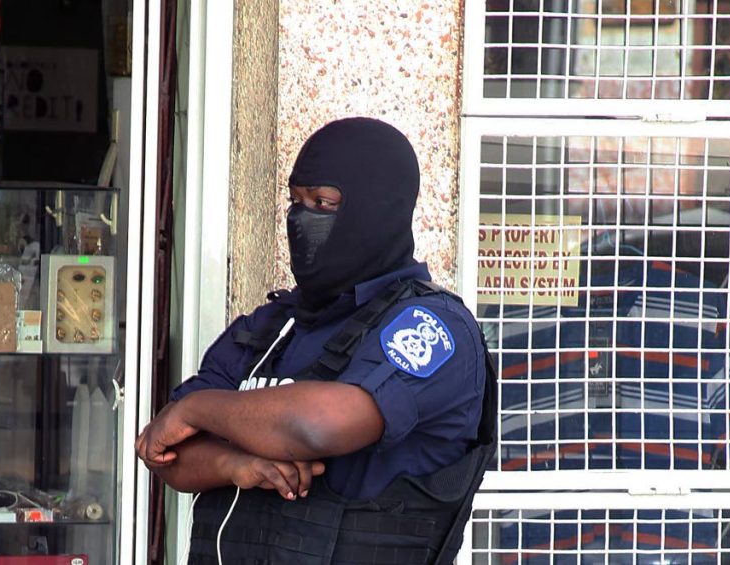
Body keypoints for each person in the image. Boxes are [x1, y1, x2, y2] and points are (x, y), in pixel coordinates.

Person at [136, 117, 496, 565]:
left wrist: (198, 409)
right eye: (295, 201)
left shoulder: (431, 327)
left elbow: (318, 425)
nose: (302, 219)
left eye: (323, 203)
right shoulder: (274, 326)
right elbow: (168, 450)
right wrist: (236, 467)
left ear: (377, 210)